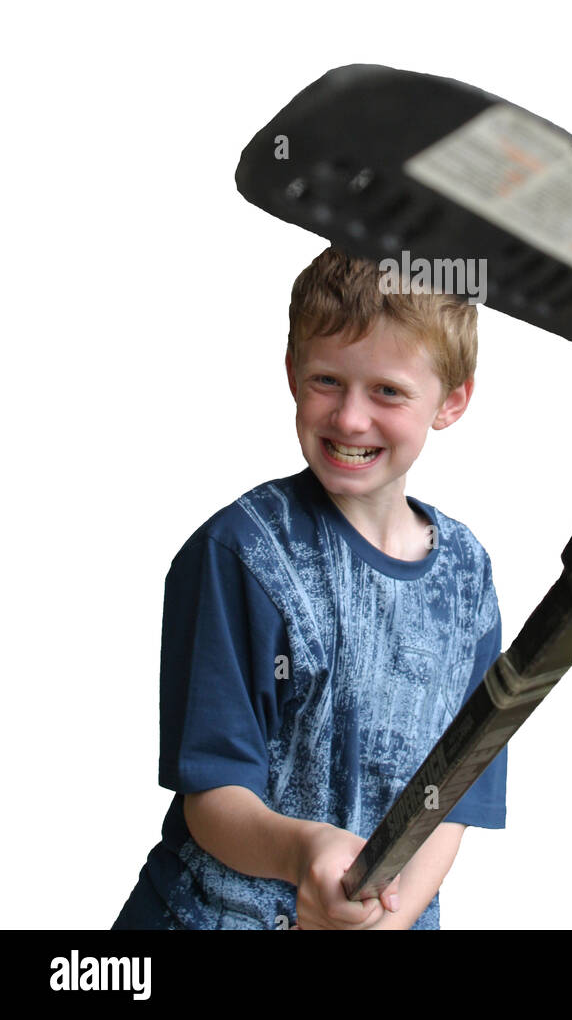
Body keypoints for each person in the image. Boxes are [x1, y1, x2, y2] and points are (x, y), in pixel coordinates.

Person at [111, 246, 507, 930]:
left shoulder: (467, 577)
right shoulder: (241, 553)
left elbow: (456, 793)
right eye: (328, 380)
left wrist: (391, 914)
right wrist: (306, 855)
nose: (351, 419)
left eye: (387, 390)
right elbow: (214, 794)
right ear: (292, 374)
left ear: (452, 400)